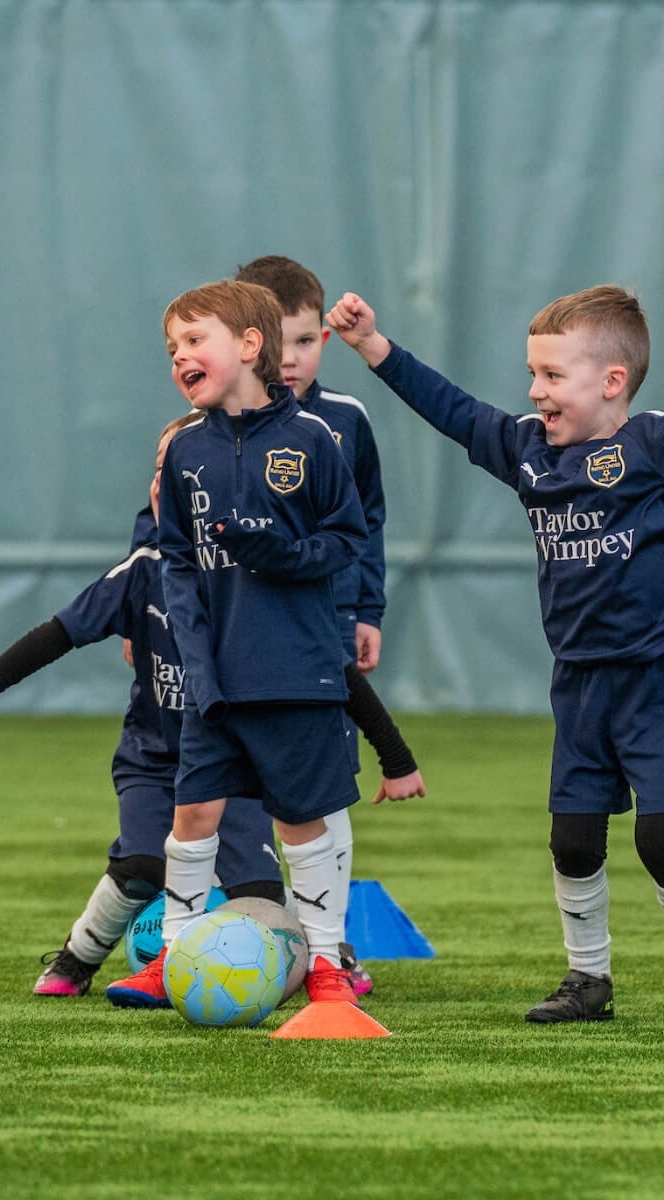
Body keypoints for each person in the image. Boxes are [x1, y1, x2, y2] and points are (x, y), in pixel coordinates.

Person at [328, 284, 664, 1026]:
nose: (535, 391)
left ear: (611, 382)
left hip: (663, 680)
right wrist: (372, 347)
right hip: (581, 685)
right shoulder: (527, 450)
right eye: (533, 374)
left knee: (663, 838)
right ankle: (588, 981)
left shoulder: (651, 444)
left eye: (552, 376)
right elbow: (453, 410)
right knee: (573, 840)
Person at [0, 416, 285, 999]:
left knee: (261, 897)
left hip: (235, 770)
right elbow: (54, 635)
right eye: (161, 474)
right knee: (144, 863)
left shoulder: (256, 578)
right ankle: (77, 959)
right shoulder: (142, 572)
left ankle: (317, 961)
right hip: (155, 759)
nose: (170, 485)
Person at [107, 279, 370, 1010]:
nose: (179, 357)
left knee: (299, 820)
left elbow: (346, 540)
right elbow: (178, 566)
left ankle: (325, 970)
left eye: (195, 341)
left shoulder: (314, 440)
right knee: (193, 815)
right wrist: (195, 659)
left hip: (294, 672)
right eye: (172, 349)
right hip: (213, 678)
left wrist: (278, 551)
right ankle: (174, 958)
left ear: (250, 347)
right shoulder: (185, 451)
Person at [235, 254, 405, 996]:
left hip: (323, 630)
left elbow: (367, 522)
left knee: (327, 788)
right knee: (223, 793)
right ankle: (185, 937)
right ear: (245, 344)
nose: (291, 359)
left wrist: (366, 610)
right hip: (236, 634)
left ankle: (328, 951)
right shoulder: (209, 424)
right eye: (278, 344)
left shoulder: (345, 422)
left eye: (305, 341)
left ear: (323, 342)